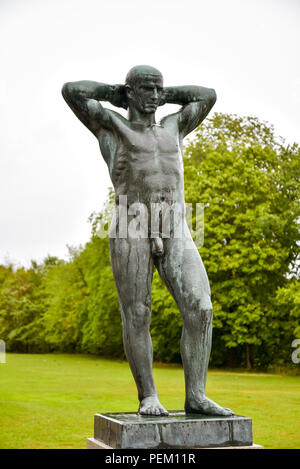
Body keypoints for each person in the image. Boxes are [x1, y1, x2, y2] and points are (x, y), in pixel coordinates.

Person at [62, 65, 233, 417]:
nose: (156, 96)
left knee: (200, 307)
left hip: (175, 224)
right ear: (131, 91)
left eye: (160, 89)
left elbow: (208, 95)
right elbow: (72, 91)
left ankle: (196, 396)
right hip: (131, 223)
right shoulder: (113, 126)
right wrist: (117, 94)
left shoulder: (174, 126)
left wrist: (165, 95)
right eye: (148, 89)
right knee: (138, 314)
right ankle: (149, 396)